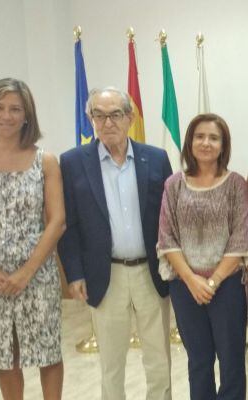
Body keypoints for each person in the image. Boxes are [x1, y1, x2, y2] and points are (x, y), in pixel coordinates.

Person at [58, 87, 173, 400]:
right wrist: (74, 273)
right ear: (91, 119)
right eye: (99, 115)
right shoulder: (71, 162)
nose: (107, 122)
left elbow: (170, 216)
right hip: (104, 274)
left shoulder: (157, 158)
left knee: (158, 358)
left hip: (151, 272)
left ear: (129, 117)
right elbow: (68, 225)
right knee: (111, 363)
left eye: (115, 114)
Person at [0, 78, 65, 400]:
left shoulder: (44, 161)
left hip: (36, 275)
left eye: (15, 109)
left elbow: (57, 221)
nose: (6, 115)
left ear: (26, 115)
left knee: (46, 351)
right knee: (4, 355)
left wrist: (25, 273)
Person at [157, 113, 248, 400]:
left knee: (232, 361)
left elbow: (240, 238)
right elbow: (166, 238)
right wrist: (192, 280)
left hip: (227, 288)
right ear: (190, 142)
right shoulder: (174, 184)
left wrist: (212, 282)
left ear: (223, 145)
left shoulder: (236, 184)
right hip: (185, 287)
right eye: (199, 136)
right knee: (198, 362)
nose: (206, 143)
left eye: (214, 137)